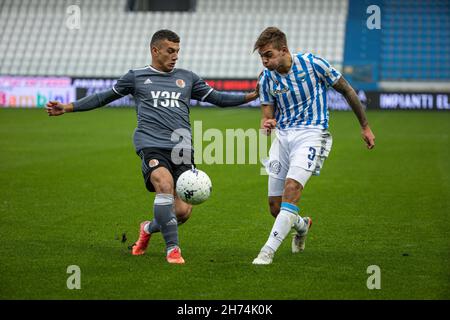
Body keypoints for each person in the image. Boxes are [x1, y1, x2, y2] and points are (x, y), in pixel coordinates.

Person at [46, 29, 259, 264]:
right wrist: (67, 107)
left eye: (177, 51)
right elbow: (102, 97)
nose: (175, 55)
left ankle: (147, 228)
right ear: (155, 50)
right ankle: (173, 249)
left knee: (181, 212)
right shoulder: (136, 77)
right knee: (164, 185)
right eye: (170, 51)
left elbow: (218, 98)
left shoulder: (188, 78)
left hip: (181, 148)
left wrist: (251, 96)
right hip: (151, 144)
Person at [252, 27, 375, 265]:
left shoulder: (313, 64)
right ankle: (302, 225)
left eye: (268, 54)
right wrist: (266, 123)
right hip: (283, 137)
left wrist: (365, 126)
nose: (265, 61)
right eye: (262, 57)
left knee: (292, 188)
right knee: (275, 208)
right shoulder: (266, 78)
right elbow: (267, 113)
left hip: (312, 134)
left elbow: (347, 90)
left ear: (284, 50)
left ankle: (267, 251)